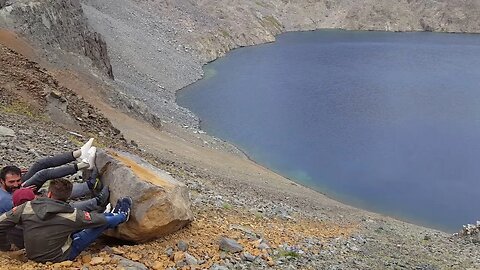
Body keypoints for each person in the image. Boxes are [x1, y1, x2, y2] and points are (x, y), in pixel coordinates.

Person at [0, 178, 132, 263]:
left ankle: (113, 215)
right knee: (98, 224)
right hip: (59, 257)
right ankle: (121, 216)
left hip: (31, 254)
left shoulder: (25, 207)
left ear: (49, 194)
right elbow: (98, 220)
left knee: (89, 223)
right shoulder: (73, 214)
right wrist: (109, 218)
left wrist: (5, 246)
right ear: (68, 197)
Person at [0, 138, 108, 214]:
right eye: (11, 182)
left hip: (18, 192)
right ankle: (96, 201)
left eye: (17, 180)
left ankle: (78, 154)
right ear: (2, 181)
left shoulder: (10, 185)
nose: (15, 184)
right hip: (21, 207)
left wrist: (20, 187)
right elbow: (18, 211)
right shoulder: (5, 201)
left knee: (39, 165)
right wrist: (23, 193)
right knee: (52, 201)